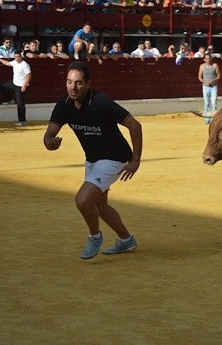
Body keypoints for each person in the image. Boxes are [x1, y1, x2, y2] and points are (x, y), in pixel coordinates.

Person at [43, 61, 142, 260]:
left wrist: (135, 160)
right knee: (100, 206)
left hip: (114, 158)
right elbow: (50, 133)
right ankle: (126, 240)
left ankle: (94, 236)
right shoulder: (63, 105)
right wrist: (49, 142)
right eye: (69, 82)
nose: (73, 87)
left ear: (88, 84)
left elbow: (135, 125)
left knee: (82, 200)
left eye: (78, 83)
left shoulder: (101, 102)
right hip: (93, 160)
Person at [0, 50, 32, 126]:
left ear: (21, 56)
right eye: (16, 57)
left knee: (20, 104)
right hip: (14, 83)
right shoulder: (14, 62)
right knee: (3, 86)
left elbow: (29, 75)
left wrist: (24, 85)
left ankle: (22, 121)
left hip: (20, 85)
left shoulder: (25, 64)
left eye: (18, 57)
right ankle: (9, 100)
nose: (17, 58)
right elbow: (7, 63)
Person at [198, 53, 221, 124]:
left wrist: (213, 80)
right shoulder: (202, 66)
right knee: (207, 103)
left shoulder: (215, 65)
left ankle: (214, 119)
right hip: (205, 86)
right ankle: (207, 120)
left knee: (214, 102)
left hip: (213, 86)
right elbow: (199, 77)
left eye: (209, 58)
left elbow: (219, 76)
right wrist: (204, 81)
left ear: (211, 59)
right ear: (204, 59)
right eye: (206, 58)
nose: (208, 60)